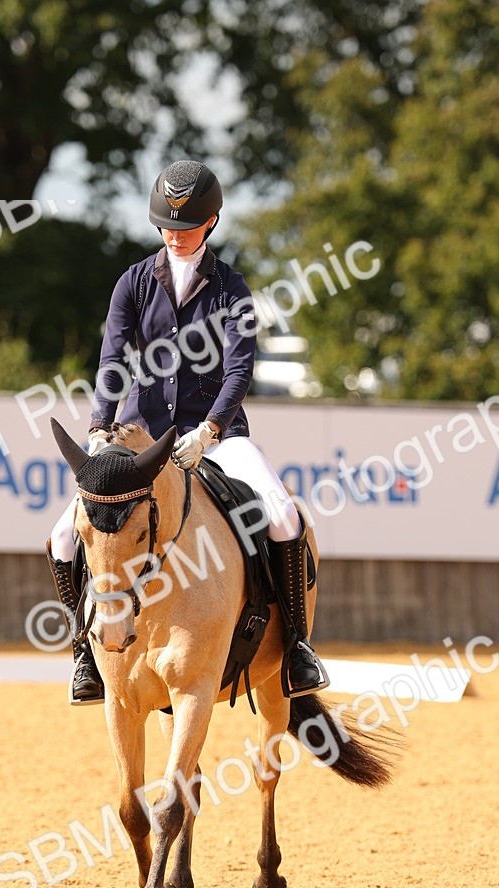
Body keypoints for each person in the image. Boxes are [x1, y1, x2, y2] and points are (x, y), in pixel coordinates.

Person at [47, 159, 328, 705]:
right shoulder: (133, 283)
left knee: (284, 517)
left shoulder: (231, 288)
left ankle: (296, 646)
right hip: (139, 440)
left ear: (211, 222)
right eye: (167, 227)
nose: (175, 236)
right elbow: (112, 359)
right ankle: (85, 650)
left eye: (188, 227)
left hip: (218, 436)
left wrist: (210, 430)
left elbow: (239, 371)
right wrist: (100, 427)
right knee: (62, 537)